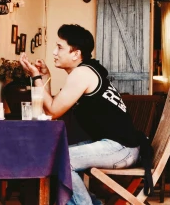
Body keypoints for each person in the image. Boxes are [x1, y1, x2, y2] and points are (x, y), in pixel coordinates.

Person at [20, 24, 148, 205]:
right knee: (58, 154)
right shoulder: (85, 71)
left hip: (121, 149)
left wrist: (35, 77)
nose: (54, 52)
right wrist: (45, 75)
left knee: (62, 159)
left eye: (60, 47)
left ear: (75, 54)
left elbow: (52, 110)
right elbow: (51, 109)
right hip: (118, 147)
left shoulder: (82, 74)